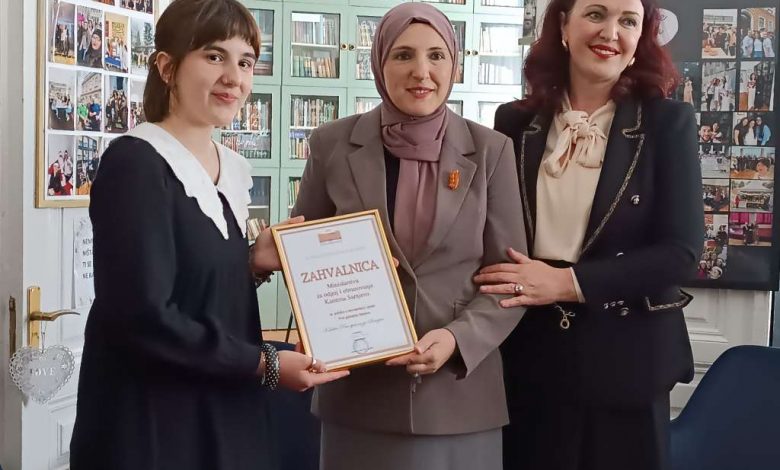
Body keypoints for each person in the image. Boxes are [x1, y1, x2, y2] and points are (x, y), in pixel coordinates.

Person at [69, 2, 348, 469]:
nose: (234, 78)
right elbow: (142, 317)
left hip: (221, 406)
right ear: (167, 67)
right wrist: (265, 364)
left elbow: (190, 282)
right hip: (153, 422)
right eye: (215, 56)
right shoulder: (136, 163)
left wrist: (251, 263)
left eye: (245, 62)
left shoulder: (231, 168)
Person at [291, 4, 528, 470]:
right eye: (403, 55)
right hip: (358, 395)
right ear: (378, 63)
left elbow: (511, 279)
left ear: (455, 65)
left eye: (437, 55)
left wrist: (457, 339)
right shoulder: (331, 144)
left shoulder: (492, 151)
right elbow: (304, 254)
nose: (422, 71)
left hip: (459, 396)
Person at [483, 0, 703, 469]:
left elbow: (681, 253)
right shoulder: (514, 122)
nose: (610, 32)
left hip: (628, 362)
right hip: (529, 359)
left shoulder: (668, 123)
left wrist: (566, 283)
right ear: (564, 25)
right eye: (596, 14)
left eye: (628, 21)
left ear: (640, 38)